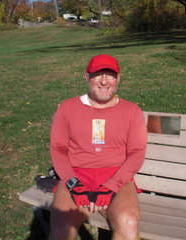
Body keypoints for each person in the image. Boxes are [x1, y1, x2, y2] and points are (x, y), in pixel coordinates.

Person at [48, 54, 147, 240]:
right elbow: (58, 149)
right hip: (77, 174)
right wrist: (72, 182)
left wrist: (111, 186)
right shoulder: (67, 108)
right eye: (97, 75)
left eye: (110, 75)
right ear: (86, 77)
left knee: (129, 224)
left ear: (118, 78)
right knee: (61, 230)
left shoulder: (132, 111)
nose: (104, 81)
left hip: (116, 175)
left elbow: (136, 153)